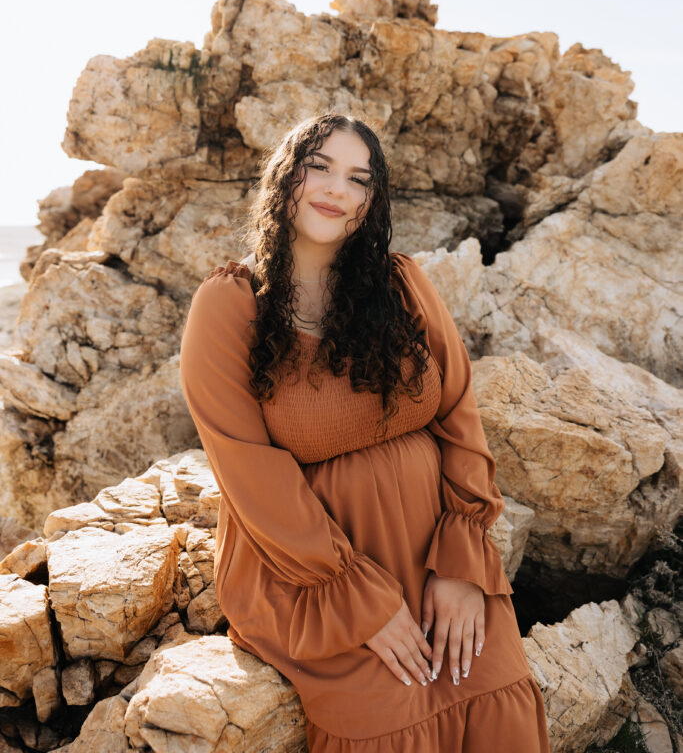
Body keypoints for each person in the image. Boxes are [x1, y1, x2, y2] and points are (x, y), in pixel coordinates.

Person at [179, 112, 550, 752]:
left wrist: (461, 563)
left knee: (495, 697)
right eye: (318, 166)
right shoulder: (229, 303)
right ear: (284, 177)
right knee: (389, 723)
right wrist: (355, 598)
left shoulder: (402, 284)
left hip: (435, 545)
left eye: (359, 178)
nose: (336, 190)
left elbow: (458, 413)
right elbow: (247, 470)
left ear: (371, 200)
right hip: (306, 571)